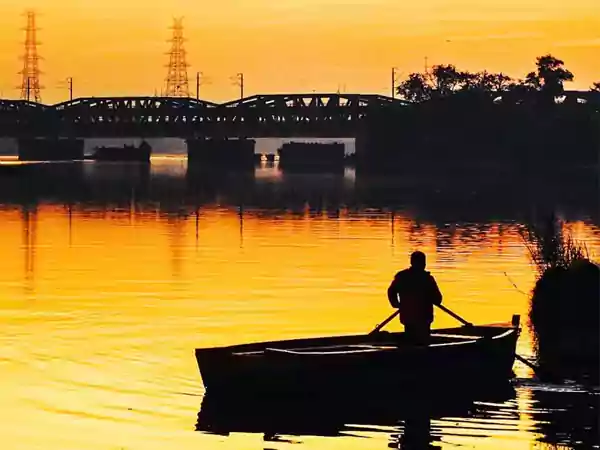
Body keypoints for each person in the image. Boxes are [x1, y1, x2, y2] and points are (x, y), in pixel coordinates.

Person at [387, 251, 442, 345]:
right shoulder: (427, 279)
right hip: (423, 319)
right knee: (423, 342)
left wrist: (397, 304)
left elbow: (391, 292)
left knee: (409, 338)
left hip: (407, 317)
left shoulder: (401, 276)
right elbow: (438, 299)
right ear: (423, 263)